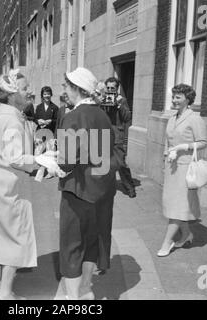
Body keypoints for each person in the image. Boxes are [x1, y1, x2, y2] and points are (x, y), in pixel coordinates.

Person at [0, 70, 42, 300]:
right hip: (5, 189)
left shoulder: (3, 115)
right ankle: (5, 294)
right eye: (24, 89)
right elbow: (15, 158)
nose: (29, 92)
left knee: (1, 237)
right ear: (13, 94)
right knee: (17, 237)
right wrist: (42, 161)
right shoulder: (12, 119)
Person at [56, 67, 117, 300]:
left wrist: (48, 161)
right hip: (102, 189)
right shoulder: (103, 115)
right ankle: (86, 289)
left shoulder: (73, 116)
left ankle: (73, 299)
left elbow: (66, 161)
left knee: (72, 245)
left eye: (66, 86)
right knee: (93, 241)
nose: (64, 90)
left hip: (78, 190)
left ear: (78, 89)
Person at [157, 84, 207, 257]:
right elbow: (168, 141)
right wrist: (166, 156)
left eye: (178, 97)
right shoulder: (172, 117)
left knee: (177, 206)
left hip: (186, 168)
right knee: (175, 205)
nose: (174, 100)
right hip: (172, 167)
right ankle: (186, 234)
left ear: (187, 99)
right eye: (173, 96)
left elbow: (203, 142)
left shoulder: (195, 118)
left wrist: (183, 146)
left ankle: (167, 241)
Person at [103, 77, 136, 198]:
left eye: (113, 88)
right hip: (104, 135)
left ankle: (129, 186)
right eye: (108, 88)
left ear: (117, 89)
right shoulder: (102, 99)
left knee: (121, 164)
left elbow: (127, 117)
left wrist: (119, 105)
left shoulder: (122, 100)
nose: (110, 90)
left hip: (117, 136)